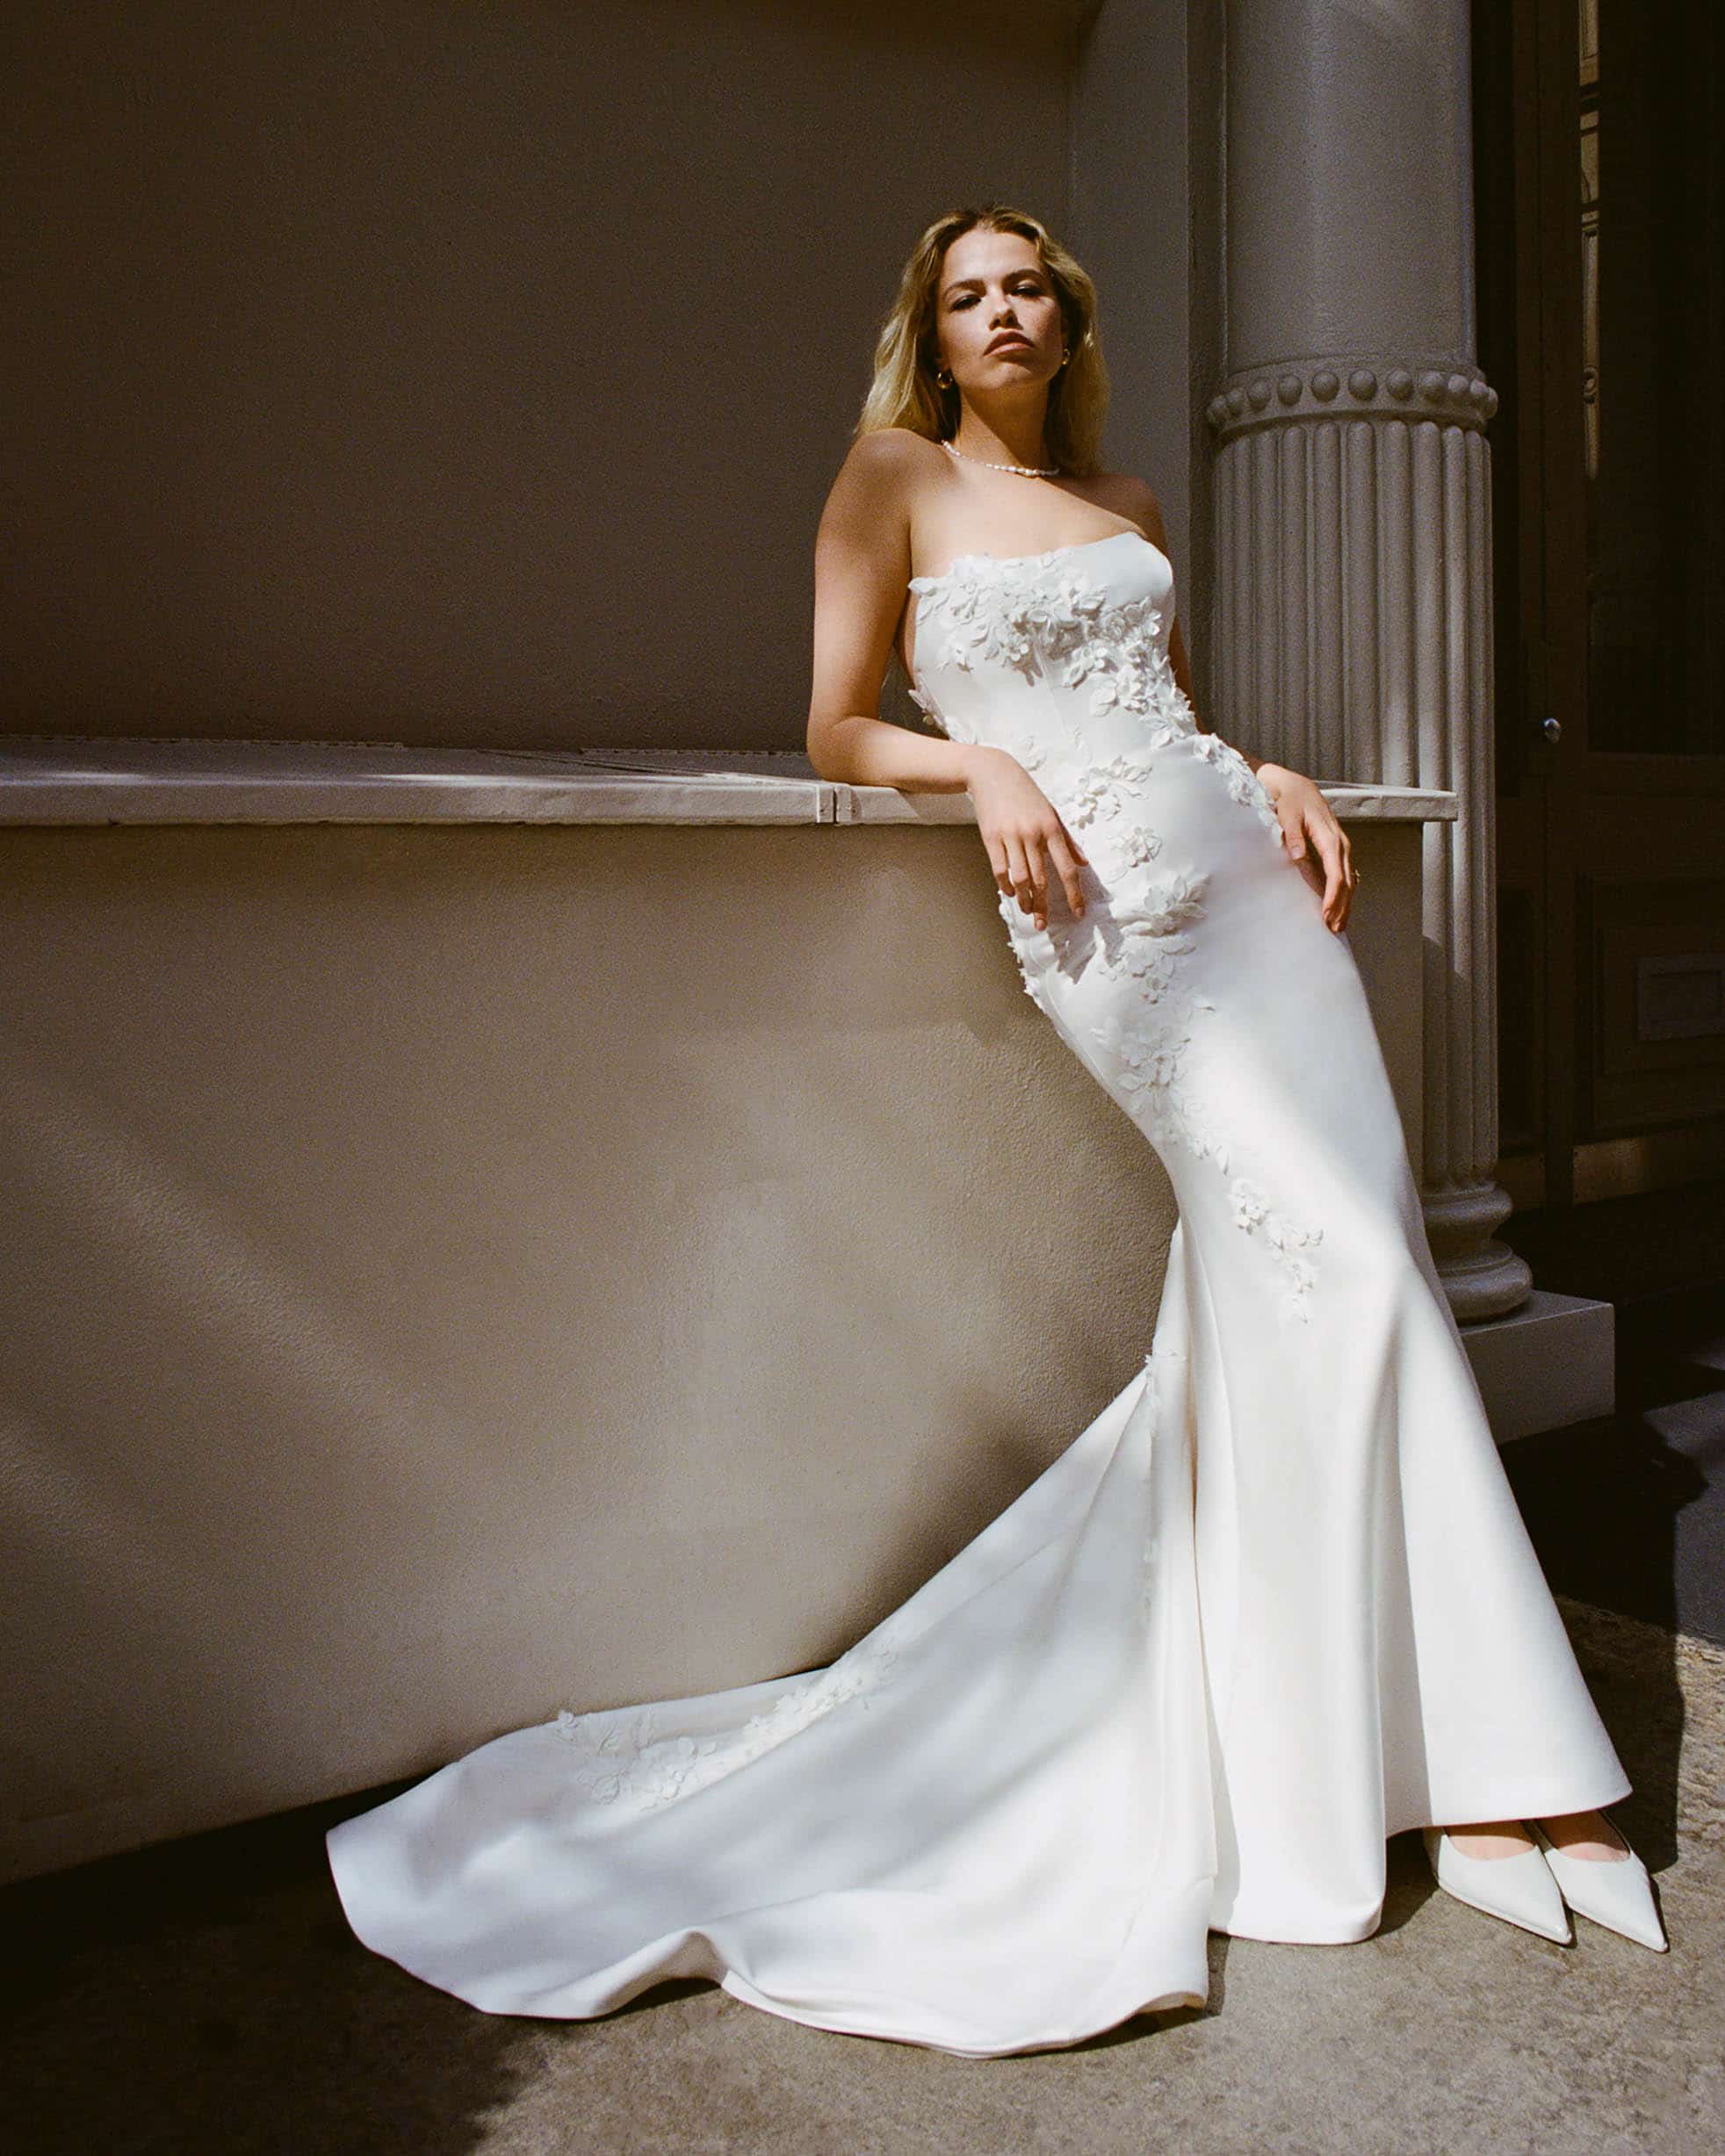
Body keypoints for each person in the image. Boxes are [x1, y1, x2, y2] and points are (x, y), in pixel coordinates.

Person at [325, 204, 1665, 2059]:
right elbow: (831, 726)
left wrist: (1267, 768)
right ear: (932, 339)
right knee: (1338, 1274)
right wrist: (985, 761)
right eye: (968, 296)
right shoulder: (886, 477)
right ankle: (1502, 1766)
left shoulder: (1126, 495)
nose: (1003, 312)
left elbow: (1170, 711)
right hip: (1106, 930)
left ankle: (1418, 1751)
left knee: (1342, 1293)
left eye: (1027, 285)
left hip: (1251, 898)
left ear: (1067, 315)